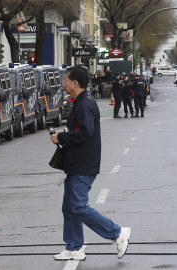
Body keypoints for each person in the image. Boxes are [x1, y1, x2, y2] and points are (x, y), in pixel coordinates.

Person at [50, 65, 131, 261]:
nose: (64, 83)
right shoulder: (81, 101)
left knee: (77, 206)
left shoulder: (85, 103)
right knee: (69, 207)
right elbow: (82, 129)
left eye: (66, 79)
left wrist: (62, 138)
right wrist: (64, 134)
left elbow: (86, 132)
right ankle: (74, 247)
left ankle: (117, 233)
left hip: (83, 164)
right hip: (77, 162)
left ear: (75, 83)